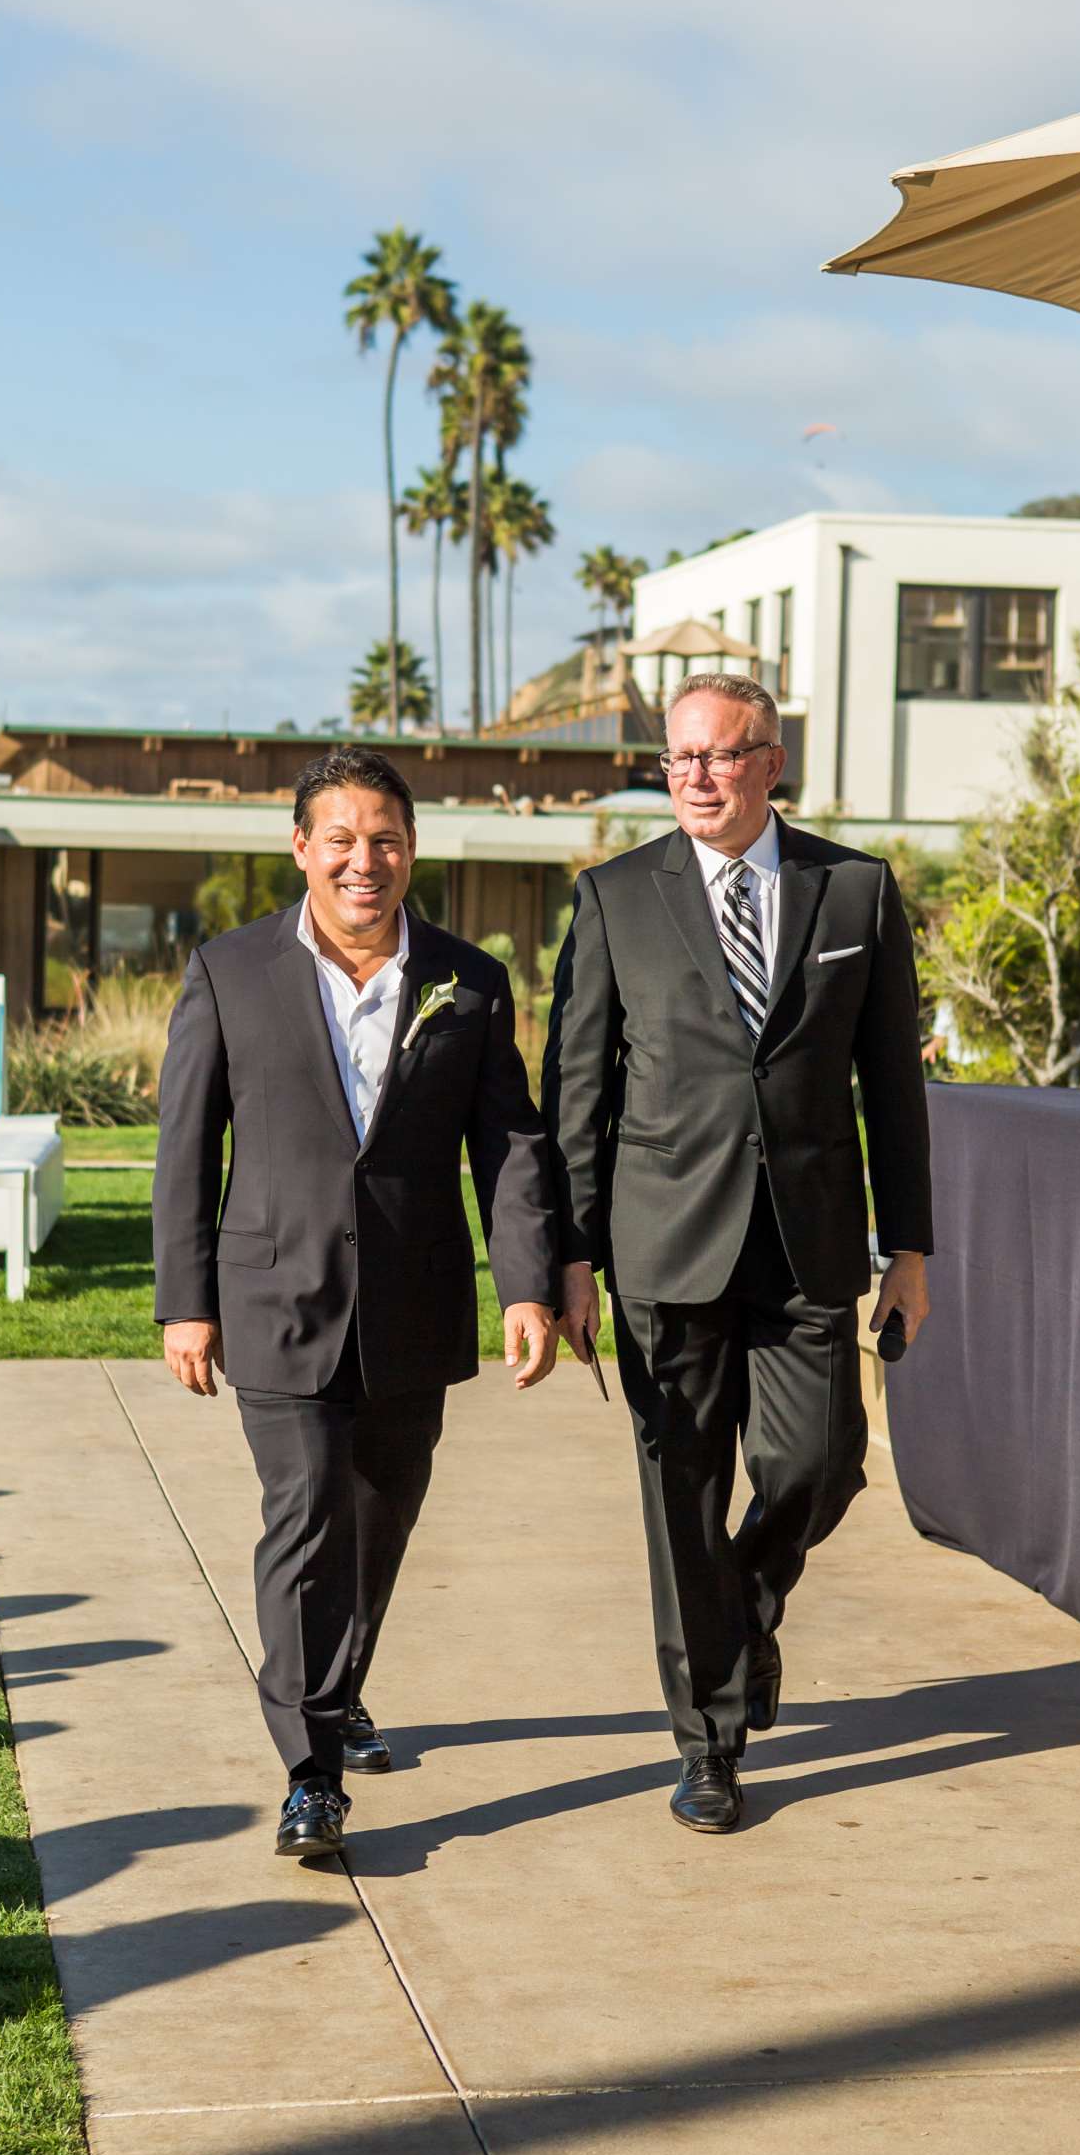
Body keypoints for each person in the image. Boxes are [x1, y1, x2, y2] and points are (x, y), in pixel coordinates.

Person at [542, 674, 932, 1834]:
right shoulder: (616, 897)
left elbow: (891, 1088)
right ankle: (706, 1744)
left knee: (820, 1464)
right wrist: (567, 1254)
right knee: (681, 1492)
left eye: (718, 756)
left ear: (771, 762)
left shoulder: (852, 890)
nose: (695, 778)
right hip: (662, 1243)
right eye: (677, 760)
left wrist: (909, 1245)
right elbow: (578, 1090)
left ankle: (747, 1602)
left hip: (808, 1242)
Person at [153, 745, 559, 1860]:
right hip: (273, 1298)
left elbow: (510, 1146)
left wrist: (525, 1284)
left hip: (412, 1309)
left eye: (383, 838)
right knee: (308, 1520)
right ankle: (311, 1773)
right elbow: (186, 1147)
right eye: (339, 838)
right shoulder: (228, 972)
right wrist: (185, 1303)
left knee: (381, 1516)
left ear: (411, 849)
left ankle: (336, 1685)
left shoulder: (468, 982)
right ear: (301, 849)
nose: (362, 860)